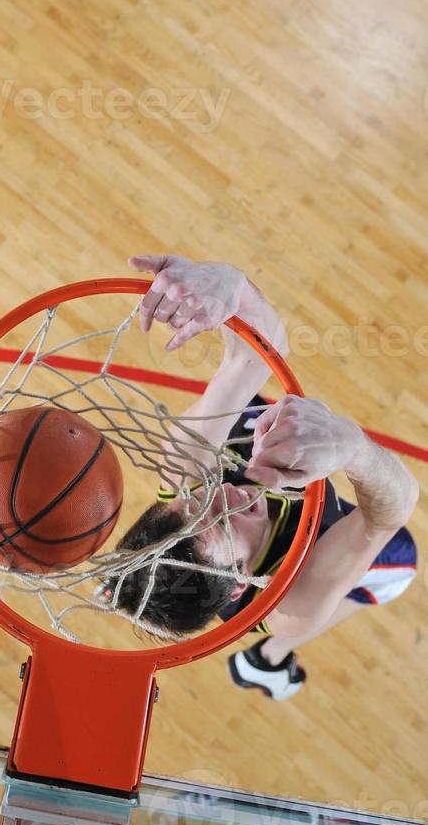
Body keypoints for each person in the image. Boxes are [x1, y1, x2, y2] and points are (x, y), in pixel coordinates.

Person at [114, 254, 419, 699]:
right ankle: (267, 660)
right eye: (222, 523)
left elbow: (258, 351)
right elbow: (392, 512)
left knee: (242, 400)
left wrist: (230, 289)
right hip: (331, 555)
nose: (225, 494)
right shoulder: (290, 600)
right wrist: (354, 449)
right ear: (241, 581)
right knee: (382, 574)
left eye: (196, 503)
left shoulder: (184, 467)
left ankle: (263, 661)